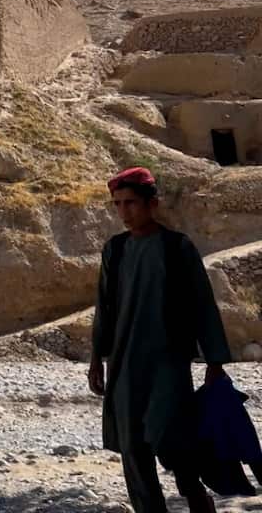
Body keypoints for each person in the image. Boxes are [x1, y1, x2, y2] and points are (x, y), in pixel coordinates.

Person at [90, 166, 231, 513]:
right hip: (124, 363)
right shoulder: (116, 250)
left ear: (152, 204)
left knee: (171, 437)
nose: (125, 212)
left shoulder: (176, 247)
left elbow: (202, 305)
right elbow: (104, 306)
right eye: (118, 204)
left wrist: (215, 362)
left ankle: (196, 496)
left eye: (131, 203)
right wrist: (97, 357)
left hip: (167, 361)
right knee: (133, 448)